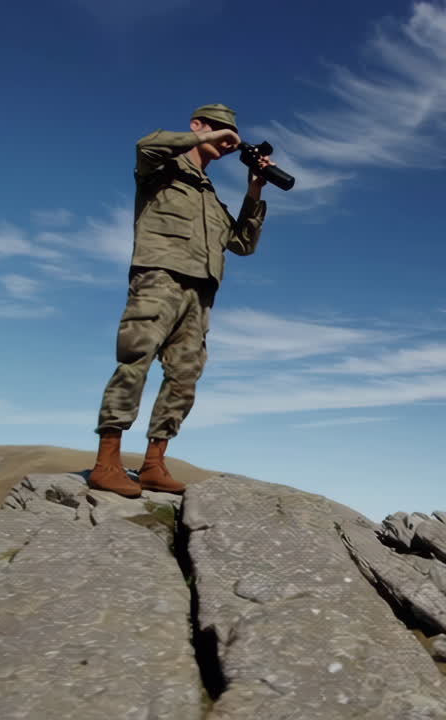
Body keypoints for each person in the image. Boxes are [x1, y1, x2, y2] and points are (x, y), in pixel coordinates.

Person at [88, 103, 273, 497]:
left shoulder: (211, 197)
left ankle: (154, 464)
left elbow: (242, 244)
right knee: (135, 360)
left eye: (231, 133)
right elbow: (146, 144)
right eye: (220, 129)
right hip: (159, 277)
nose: (227, 139)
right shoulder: (161, 169)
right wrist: (208, 138)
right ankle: (107, 463)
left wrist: (255, 187)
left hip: (201, 292)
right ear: (198, 126)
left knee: (184, 377)